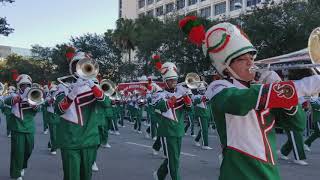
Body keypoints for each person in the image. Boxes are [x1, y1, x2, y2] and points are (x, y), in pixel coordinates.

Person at [179, 16, 320, 180]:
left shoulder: (260, 89)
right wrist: (303, 86)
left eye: (251, 58)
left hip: (269, 172)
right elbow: (238, 103)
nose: (250, 63)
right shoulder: (218, 87)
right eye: (241, 59)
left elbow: (297, 124)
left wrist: (279, 85)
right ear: (226, 66)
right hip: (239, 172)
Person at [54, 48, 110, 180]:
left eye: (83, 65)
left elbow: (106, 103)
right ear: (71, 68)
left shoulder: (95, 87)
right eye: (76, 65)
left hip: (89, 139)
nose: (80, 69)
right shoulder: (62, 87)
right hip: (69, 140)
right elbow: (59, 109)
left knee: (86, 176)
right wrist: (73, 92)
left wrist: (93, 86)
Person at [153, 61, 192, 180]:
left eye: (175, 80)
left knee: (174, 157)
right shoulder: (160, 94)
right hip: (167, 131)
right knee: (174, 160)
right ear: (165, 81)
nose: (174, 83)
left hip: (178, 130)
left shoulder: (180, 92)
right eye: (170, 80)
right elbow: (163, 106)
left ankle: (159, 174)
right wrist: (176, 96)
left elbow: (189, 109)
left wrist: (185, 96)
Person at [4, 74, 39, 180]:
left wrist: (33, 104)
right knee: (17, 152)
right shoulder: (14, 95)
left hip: (29, 128)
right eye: (23, 85)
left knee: (29, 150)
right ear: (19, 85)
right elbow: (6, 101)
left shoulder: (33, 95)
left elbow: (38, 108)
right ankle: (16, 173)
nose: (25, 87)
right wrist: (18, 98)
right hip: (17, 128)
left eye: (27, 85)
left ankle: (22, 166)